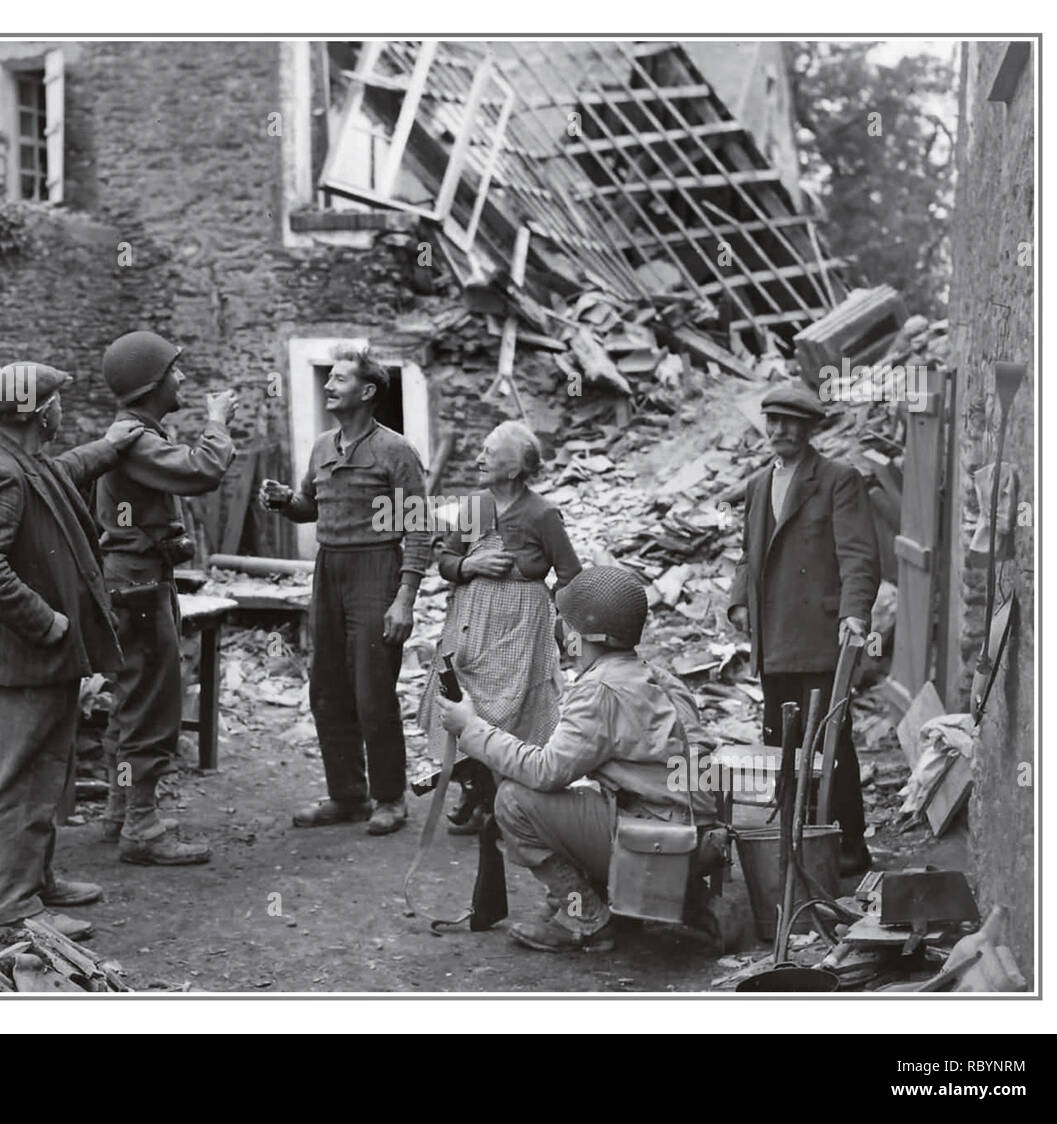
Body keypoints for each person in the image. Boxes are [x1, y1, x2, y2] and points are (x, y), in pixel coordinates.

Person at [436, 566, 720, 954]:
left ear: (583, 635)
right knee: (581, 794)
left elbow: (544, 771)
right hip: (699, 837)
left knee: (514, 801)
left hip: (662, 842)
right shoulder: (658, 677)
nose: (562, 634)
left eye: (566, 626)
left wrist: (470, 727)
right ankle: (669, 900)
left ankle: (583, 917)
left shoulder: (598, 690)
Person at [0, 361, 144, 941]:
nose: (64, 410)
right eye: (58, 402)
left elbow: (63, 472)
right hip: (29, 657)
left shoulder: (27, 461)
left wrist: (108, 446)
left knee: (47, 772)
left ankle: (36, 881)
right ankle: (14, 904)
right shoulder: (2, 474)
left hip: (49, 657)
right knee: (18, 778)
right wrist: (47, 621)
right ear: (41, 413)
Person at [258, 345, 430, 836]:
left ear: (367, 391)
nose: (329, 386)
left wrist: (404, 598)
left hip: (376, 569)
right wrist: (284, 501)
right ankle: (347, 796)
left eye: (339, 379)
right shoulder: (321, 447)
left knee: (373, 691)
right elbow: (310, 506)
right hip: (328, 570)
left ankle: (390, 797)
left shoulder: (395, 451)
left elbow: (417, 528)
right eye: (328, 377)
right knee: (328, 691)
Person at [95, 330, 237, 865]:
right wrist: (218, 422)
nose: (183, 378)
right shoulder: (135, 438)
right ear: (152, 384)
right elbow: (203, 472)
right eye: (175, 370)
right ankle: (142, 826)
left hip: (135, 579)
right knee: (153, 704)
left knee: (131, 698)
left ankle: (118, 811)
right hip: (138, 586)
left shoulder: (135, 434)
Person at [728, 383, 881, 876]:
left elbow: (858, 556)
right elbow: (750, 554)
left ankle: (848, 849)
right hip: (774, 642)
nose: (780, 431)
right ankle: (796, 845)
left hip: (820, 639)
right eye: (772, 421)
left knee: (831, 746)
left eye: (791, 422)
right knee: (781, 747)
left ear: (810, 429)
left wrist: (854, 614)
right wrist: (737, 602)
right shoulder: (756, 485)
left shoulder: (838, 479)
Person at [420, 420, 581, 833]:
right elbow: (445, 564)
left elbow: (570, 574)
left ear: (513, 470)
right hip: (471, 623)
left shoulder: (542, 514)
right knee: (461, 700)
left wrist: (561, 627)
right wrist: (469, 565)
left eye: (489, 454)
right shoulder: (476, 507)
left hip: (519, 627)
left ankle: (505, 804)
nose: (478, 458)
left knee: (509, 710)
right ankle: (475, 791)